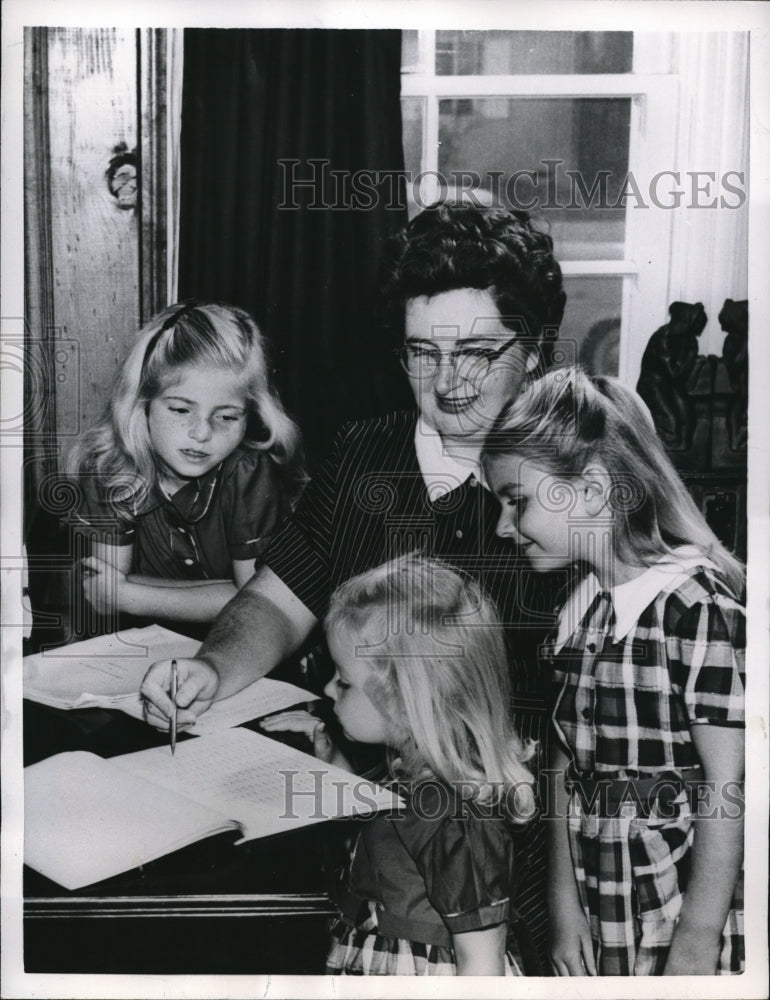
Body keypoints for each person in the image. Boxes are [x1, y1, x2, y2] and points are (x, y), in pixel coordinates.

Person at [140, 203, 567, 965]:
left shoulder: (572, 486)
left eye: (474, 351)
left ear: (534, 350)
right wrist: (213, 667)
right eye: (421, 354)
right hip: (359, 850)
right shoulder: (366, 453)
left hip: (516, 864)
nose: (447, 381)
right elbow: (277, 596)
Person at [482, 366, 745, 976]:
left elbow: (728, 788)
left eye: (516, 501)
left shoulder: (698, 613)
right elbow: (561, 769)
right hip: (600, 912)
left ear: (594, 488)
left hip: (679, 914)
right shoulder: (577, 612)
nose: (502, 526)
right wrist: (563, 905)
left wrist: (699, 939)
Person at [261, 554, 539, 976]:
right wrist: (331, 763)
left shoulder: (455, 817)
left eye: (344, 680)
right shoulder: (410, 771)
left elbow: (482, 960)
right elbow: (386, 836)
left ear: (405, 698)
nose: (327, 688)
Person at [67, 301, 303, 636]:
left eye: (227, 416)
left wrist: (131, 596)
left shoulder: (248, 473)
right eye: (180, 410)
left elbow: (258, 603)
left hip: (238, 651)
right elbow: (102, 595)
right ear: (141, 403)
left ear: (250, 416)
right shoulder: (110, 467)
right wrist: (222, 593)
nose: (202, 433)